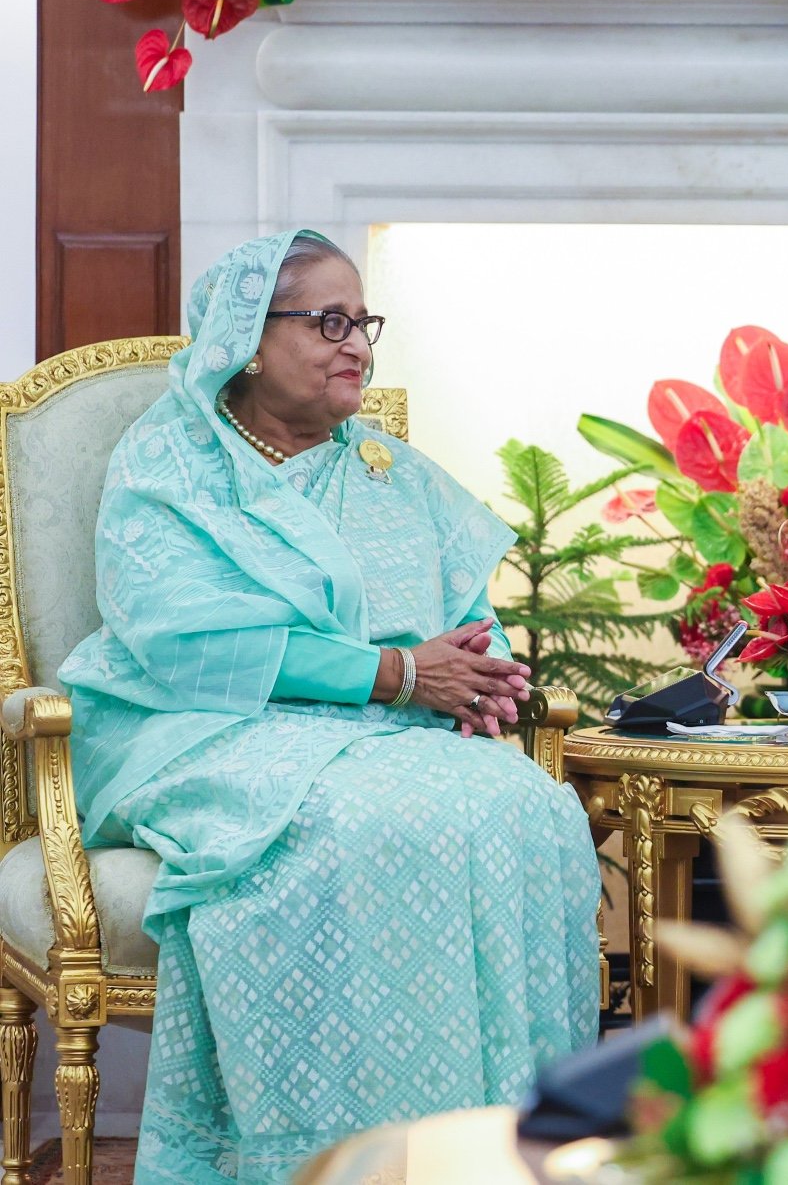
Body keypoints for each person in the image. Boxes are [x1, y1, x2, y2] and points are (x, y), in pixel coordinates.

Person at [59, 231, 600, 1185]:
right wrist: (393, 673)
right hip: (203, 728)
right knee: (352, 823)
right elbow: (181, 640)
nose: (357, 345)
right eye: (329, 322)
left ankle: (490, 1151)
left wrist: (484, 678)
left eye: (363, 323)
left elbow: (470, 617)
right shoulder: (172, 466)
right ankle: (325, 1159)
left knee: (529, 805)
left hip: (392, 733)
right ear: (246, 341)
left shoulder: (390, 468)